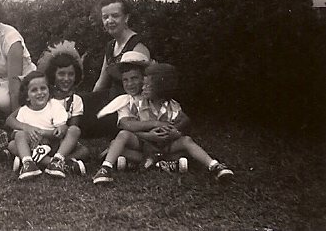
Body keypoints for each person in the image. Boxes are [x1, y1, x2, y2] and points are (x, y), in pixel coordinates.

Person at [92, 62, 234, 184]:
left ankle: (214, 166)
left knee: (186, 141)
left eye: (147, 85)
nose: (143, 88)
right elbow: (127, 126)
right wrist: (150, 134)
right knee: (122, 136)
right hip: (144, 145)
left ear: (160, 88)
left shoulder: (172, 106)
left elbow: (183, 121)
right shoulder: (137, 103)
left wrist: (175, 133)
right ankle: (106, 168)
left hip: (165, 145)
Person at [80, 0, 151, 138]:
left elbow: (143, 87)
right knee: (78, 106)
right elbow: (102, 81)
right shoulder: (111, 45)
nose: (109, 21)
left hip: (128, 106)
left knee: (87, 125)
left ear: (126, 18)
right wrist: (88, 102)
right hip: (111, 99)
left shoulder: (137, 46)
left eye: (115, 16)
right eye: (105, 17)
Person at [6, 71, 85, 180]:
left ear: (49, 90)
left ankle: (56, 160)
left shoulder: (54, 106)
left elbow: (62, 130)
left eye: (43, 88)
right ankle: (31, 164)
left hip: (55, 146)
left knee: (75, 132)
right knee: (13, 143)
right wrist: (29, 133)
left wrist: (48, 132)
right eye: (34, 90)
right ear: (27, 96)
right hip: (33, 147)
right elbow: (17, 134)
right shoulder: (24, 111)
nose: (40, 93)